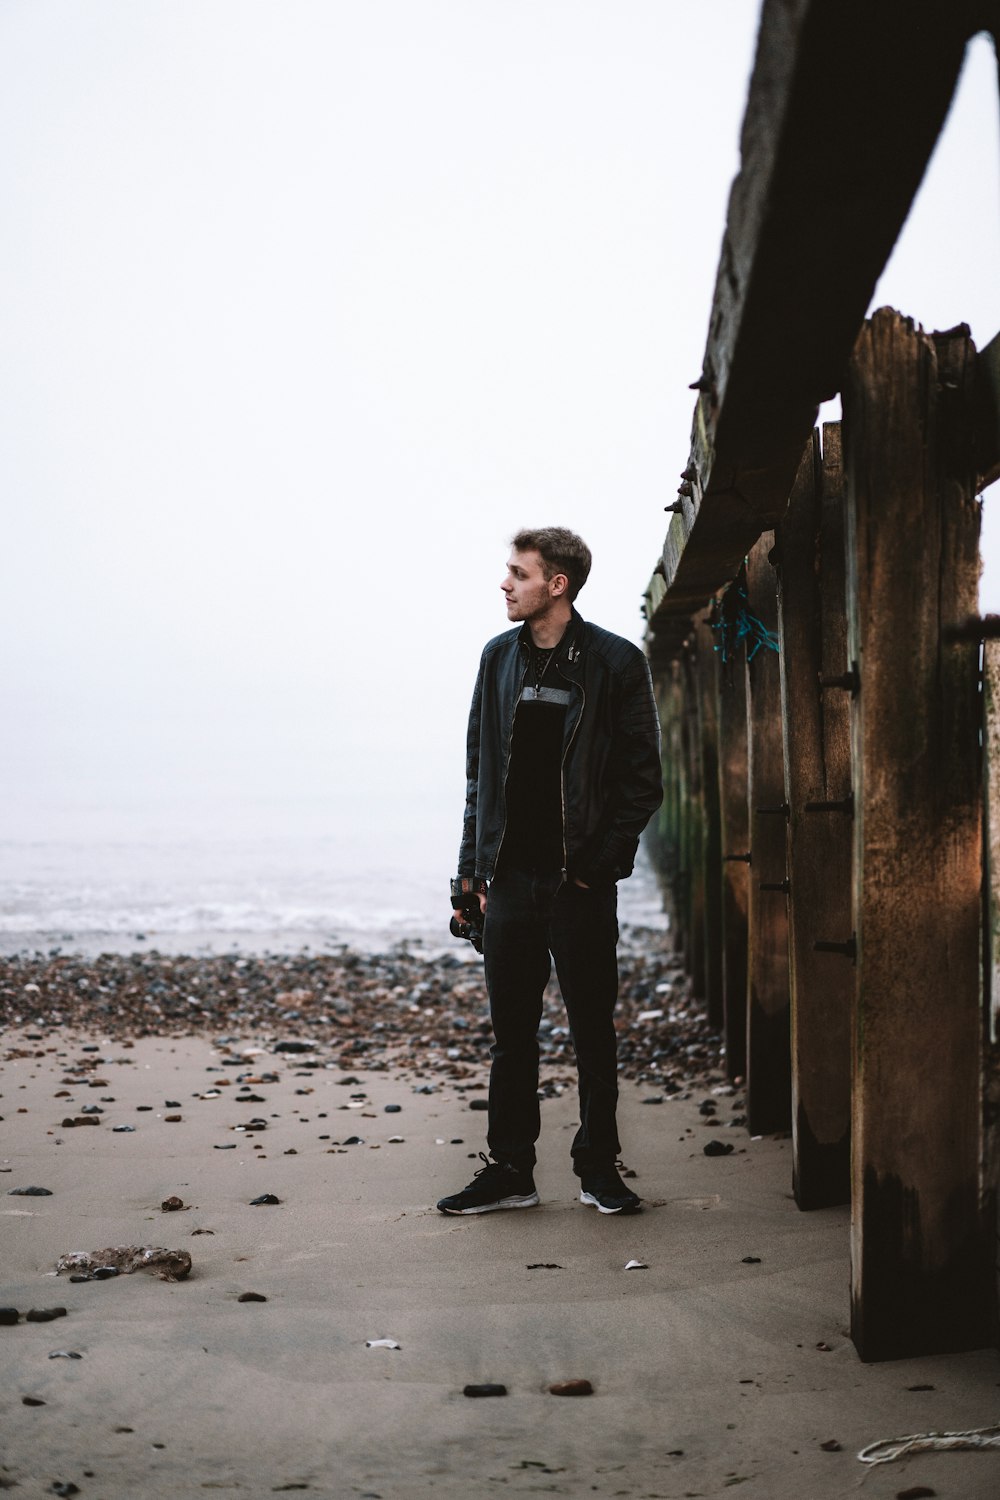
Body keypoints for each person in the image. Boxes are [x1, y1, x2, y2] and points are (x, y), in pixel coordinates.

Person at [439, 527, 663, 1217]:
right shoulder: (496, 659)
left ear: (556, 585)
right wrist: (469, 875)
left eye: (518, 573)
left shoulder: (614, 662)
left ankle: (599, 1168)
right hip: (508, 880)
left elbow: (642, 779)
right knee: (512, 1037)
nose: (504, 584)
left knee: (593, 1031)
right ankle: (511, 1170)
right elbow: (481, 774)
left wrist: (600, 867)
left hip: (578, 883)